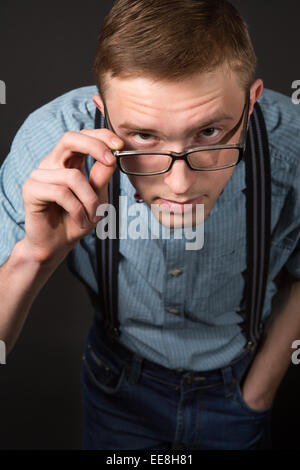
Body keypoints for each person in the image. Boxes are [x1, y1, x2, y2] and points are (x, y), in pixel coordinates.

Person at [0, 0, 299, 450]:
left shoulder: (291, 142)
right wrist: (34, 254)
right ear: (103, 110)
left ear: (251, 102)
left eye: (210, 132)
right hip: (114, 386)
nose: (179, 184)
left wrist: (259, 391)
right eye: (143, 136)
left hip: (239, 391)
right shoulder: (50, 143)